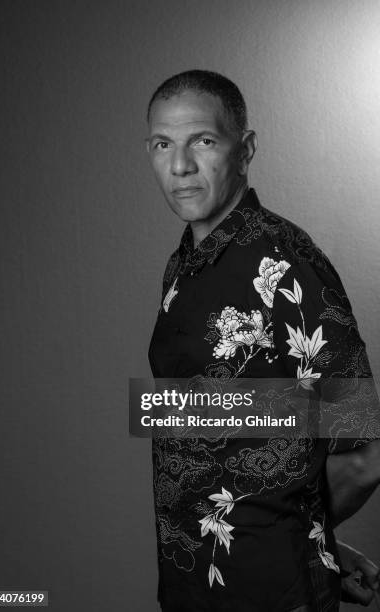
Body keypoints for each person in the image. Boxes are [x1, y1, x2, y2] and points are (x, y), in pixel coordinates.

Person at [145, 70, 380, 612]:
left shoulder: (287, 262)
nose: (180, 165)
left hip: (274, 596)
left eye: (203, 140)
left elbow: (364, 452)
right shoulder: (183, 267)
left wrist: (305, 541)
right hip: (190, 587)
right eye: (162, 144)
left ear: (245, 149)